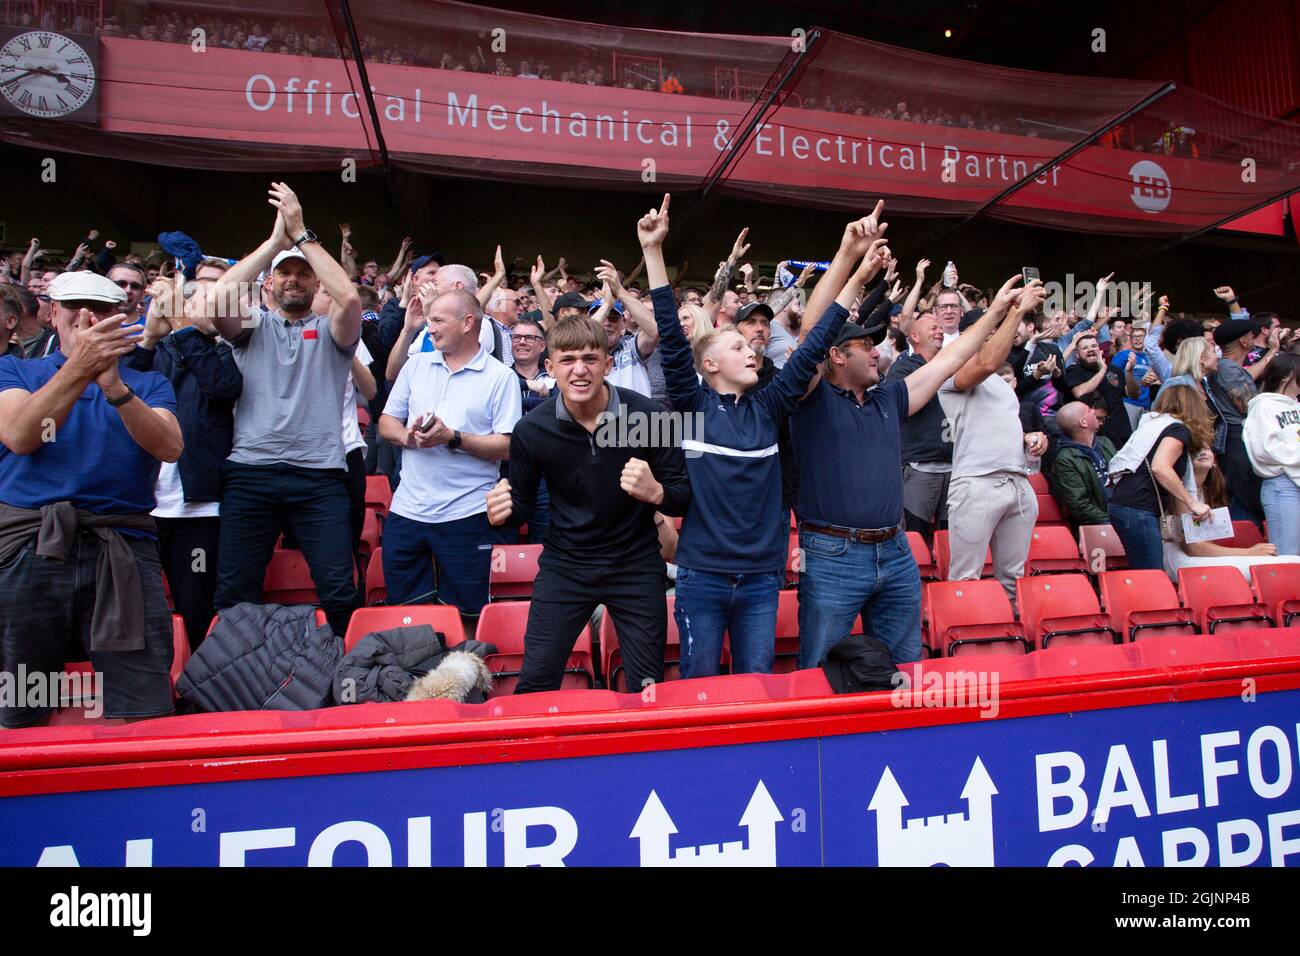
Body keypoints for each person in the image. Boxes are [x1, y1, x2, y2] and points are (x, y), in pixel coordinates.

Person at [643, 194, 878, 677]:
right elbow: (671, 333)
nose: (752, 350)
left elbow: (814, 345)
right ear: (708, 365)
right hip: (701, 576)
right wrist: (652, 251)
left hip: (759, 580)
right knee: (700, 689)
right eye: (736, 345)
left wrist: (853, 266)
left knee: (756, 687)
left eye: (751, 345)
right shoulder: (693, 404)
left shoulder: (770, 408)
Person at [790, 266, 1043, 668]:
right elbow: (808, 336)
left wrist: (998, 310)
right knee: (821, 671)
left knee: (905, 668)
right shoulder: (810, 399)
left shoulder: (888, 398)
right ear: (836, 355)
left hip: (894, 549)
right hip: (833, 553)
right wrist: (849, 259)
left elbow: (954, 358)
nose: (877, 351)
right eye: (864, 346)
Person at [0, 271, 183, 727]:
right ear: (52, 314)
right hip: (30, 544)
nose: (88, 319)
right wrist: (80, 369)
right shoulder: (14, 369)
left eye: (101, 310)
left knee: (143, 701)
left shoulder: (148, 383)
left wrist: (114, 388)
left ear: (126, 318)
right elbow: (22, 436)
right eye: (75, 307)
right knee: (18, 700)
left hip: (121, 545)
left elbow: (170, 447)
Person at [485, 312, 691, 694]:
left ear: (608, 364)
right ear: (550, 367)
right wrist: (502, 514)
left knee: (648, 685)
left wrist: (658, 493)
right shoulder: (533, 429)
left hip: (635, 565)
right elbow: (523, 508)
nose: (579, 370)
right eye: (567, 360)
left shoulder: (648, 416)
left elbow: (682, 497)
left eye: (590, 359)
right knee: (535, 682)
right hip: (566, 567)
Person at [209, 182, 363, 638]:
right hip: (251, 473)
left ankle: (346, 677)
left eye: (302, 273)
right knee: (234, 589)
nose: (293, 279)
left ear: (315, 282)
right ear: (269, 283)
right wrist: (275, 244)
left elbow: (350, 298)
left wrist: (302, 237)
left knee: (338, 588)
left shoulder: (335, 330)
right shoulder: (252, 325)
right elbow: (216, 300)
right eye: (284, 273)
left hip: (319, 476)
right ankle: (235, 681)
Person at [378, 289, 520, 617]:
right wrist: (408, 439)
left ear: (468, 322)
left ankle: (461, 670)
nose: (431, 328)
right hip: (407, 512)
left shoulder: (500, 377)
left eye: (438, 320)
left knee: (468, 615)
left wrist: (451, 438)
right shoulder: (416, 366)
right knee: (407, 612)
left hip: (467, 513)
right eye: (429, 321)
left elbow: (510, 446)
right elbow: (386, 421)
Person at [128, 270, 241, 651]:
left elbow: (220, 387)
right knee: (137, 607)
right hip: (143, 509)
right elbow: (123, 387)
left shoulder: (227, 352)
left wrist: (180, 325)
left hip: (199, 512)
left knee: (196, 605)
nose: (209, 309)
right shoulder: (154, 353)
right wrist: (148, 336)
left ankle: (200, 688)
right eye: (200, 301)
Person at [1107, 382, 1214, 570]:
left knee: (1146, 574)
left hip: (1127, 505)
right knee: (1151, 577)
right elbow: (1160, 467)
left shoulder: (1153, 426)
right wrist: (1193, 503)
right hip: (1138, 508)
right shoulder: (1177, 429)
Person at [1161, 448, 1299, 582]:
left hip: (1202, 558)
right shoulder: (1180, 493)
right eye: (1194, 449)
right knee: (1287, 565)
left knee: (1294, 562)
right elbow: (1194, 549)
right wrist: (1249, 553)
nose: (1202, 452)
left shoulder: (1207, 491)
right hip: (1180, 560)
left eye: (1207, 448)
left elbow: (1206, 544)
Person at [886, 312, 952, 538]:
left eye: (940, 328)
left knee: (952, 539)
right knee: (914, 538)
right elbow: (902, 405)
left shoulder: (953, 365)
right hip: (919, 466)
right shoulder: (902, 368)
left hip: (954, 467)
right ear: (914, 336)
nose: (940, 331)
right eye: (932, 328)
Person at [1208, 319, 1265, 525]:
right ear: (1243, 340)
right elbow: (1249, 407)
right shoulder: (1228, 369)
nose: (1254, 338)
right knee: (1243, 497)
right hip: (1235, 441)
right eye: (1251, 335)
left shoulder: (1227, 368)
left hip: (1236, 439)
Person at [1244, 353, 1300, 555]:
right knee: (1288, 553)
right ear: (1287, 377)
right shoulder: (1264, 406)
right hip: (1282, 485)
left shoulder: (1297, 406)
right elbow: (1265, 449)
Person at [1050, 401, 1117, 529]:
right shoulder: (1065, 459)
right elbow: (1079, 506)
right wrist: (1114, 522)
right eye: (1088, 410)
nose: (1093, 410)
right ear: (1083, 423)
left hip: (1122, 515)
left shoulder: (1105, 443)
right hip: (1098, 528)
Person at [1063, 332, 1133, 448]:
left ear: (1100, 350)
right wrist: (1102, 370)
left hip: (1121, 431)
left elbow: (1132, 394)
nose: (1090, 350)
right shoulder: (1074, 371)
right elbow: (1080, 393)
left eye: (1094, 346)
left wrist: (1130, 373)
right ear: (1078, 355)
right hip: (1095, 435)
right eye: (1085, 348)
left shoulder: (1114, 370)